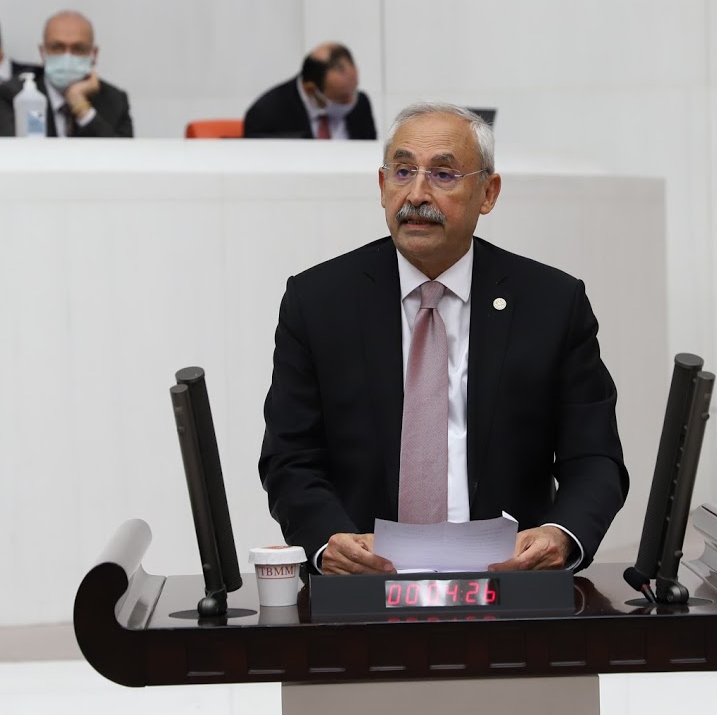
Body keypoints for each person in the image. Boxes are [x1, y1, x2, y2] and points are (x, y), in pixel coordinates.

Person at [259, 102, 628, 576]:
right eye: (403, 172)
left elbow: (594, 457)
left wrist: (561, 534)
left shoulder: (552, 303)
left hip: (509, 583)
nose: (417, 194)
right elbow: (290, 458)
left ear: (488, 193)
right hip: (364, 586)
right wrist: (328, 542)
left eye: (443, 175)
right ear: (381, 186)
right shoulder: (318, 302)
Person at [0, 11, 132, 138]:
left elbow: (124, 157)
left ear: (94, 54)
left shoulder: (114, 101)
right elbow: (8, 156)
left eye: (78, 48)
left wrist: (82, 108)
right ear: (43, 53)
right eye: (57, 47)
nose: (67, 57)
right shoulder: (10, 95)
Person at [243, 42, 376, 140]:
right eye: (342, 98)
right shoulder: (266, 115)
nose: (351, 101)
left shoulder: (361, 104)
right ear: (311, 89)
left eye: (353, 89)